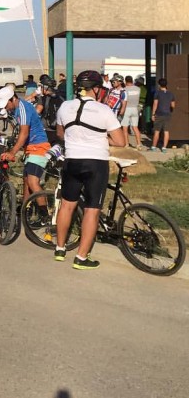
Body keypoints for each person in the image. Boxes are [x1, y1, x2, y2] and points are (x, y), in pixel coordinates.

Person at [54, 70, 124, 270]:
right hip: (95, 162)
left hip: (72, 160)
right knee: (92, 210)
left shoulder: (65, 106)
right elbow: (120, 141)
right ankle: (81, 257)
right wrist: (102, 137)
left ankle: (60, 248)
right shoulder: (104, 110)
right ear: (96, 89)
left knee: (67, 205)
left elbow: (61, 134)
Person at [0, 85, 50, 205]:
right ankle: (25, 210)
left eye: (6, 104)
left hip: (39, 147)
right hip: (30, 148)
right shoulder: (16, 109)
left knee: (32, 182)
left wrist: (12, 152)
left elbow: (24, 133)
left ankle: (44, 213)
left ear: (13, 99)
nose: (5, 107)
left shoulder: (23, 109)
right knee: (26, 182)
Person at [151, 78, 176, 152]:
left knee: (157, 131)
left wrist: (153, 114)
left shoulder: (157, 93)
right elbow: (173, 105)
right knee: (166, 131)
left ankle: (154, 147)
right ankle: (164, 148)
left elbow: (155, 104)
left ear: (159, 85)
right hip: (167, 114)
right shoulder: (171, 94)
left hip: (159, 114)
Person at [121, 76, 143, 148]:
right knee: (135, 127)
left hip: (127, 108)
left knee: (125, 128)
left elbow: (123, 100)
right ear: (132, 80)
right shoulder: (138, 89)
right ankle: (139, 144)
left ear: (125, 81)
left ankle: (127, 144)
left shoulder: (124, 89)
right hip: (135, 108)